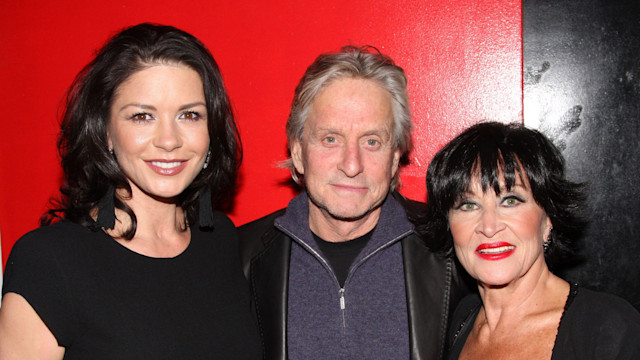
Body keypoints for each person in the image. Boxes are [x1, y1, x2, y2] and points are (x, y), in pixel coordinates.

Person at [0, 23, 261, 359]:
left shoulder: (222, 240)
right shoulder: (49, 263)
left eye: (189, 115)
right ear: (105, 131)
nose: (169, 140)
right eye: (141, 116)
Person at [239, 45, 470, 360]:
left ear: (394, 159)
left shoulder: (451, 248)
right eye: (330, 139)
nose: (351, 165)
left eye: (372, 142)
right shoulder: (241, 258)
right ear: (298, 153)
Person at [421, 121, 640, 359]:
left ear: (548, 219)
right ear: (449, 225)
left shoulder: (607, 328)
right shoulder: (461, 319)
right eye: (469, 205)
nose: (489, 226)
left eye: (511, 201)